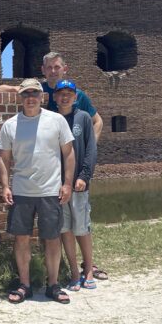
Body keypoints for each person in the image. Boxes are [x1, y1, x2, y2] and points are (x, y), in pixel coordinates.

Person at [0, 51, 109, 280]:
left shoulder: (77, 94)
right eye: (49, 68)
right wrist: (12, 88)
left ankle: (89, 266)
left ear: (64, 69)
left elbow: (97, 121)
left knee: (79, 221)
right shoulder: (40, 91)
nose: (53, 71)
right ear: (43, 71)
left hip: (72, 169)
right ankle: (70, 268)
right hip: (48, 173)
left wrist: (87, 149)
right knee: (62, 225)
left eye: (57, 67)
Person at [0, 78, 76, 304]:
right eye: (26, 94)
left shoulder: (57, 121)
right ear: (20, 97)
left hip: (51, 191)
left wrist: (67, 183)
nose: (30, 97)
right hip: (22, 191)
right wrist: (5, 185)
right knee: (21, 239)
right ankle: (25, 285)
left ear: (42, 96)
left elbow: (68, 153)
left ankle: (53, 285)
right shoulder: (10, 125)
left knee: (52, 239)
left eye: (35, 93)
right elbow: (3, 158)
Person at [53, 80, 98, 291]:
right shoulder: (51, 119)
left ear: (75, 96)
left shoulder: (83, 118)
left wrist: (84, 176)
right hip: (57, 185)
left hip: (79, 184)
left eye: (69, 93)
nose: (65, 97)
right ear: (55, 97)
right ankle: (73, 271)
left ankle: (88, 269)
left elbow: (90, 149)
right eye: (61, 93)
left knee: (82, 228)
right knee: (65, 229)